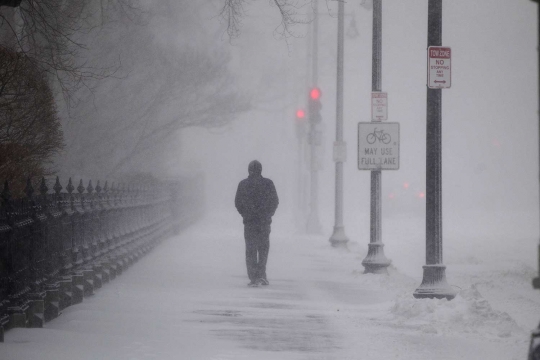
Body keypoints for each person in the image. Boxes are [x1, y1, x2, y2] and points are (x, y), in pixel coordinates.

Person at [235, 160, 279, 287]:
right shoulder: (268, 184)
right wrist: (268, 214)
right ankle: (261, 274)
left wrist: (245, 214)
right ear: (261, 170)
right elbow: (275, 201)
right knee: (263, 249)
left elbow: (238, 202)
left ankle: (253, 276)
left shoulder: (243, 184)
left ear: (249, 170)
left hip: (249, 223)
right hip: (264, 223)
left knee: (250, 249)